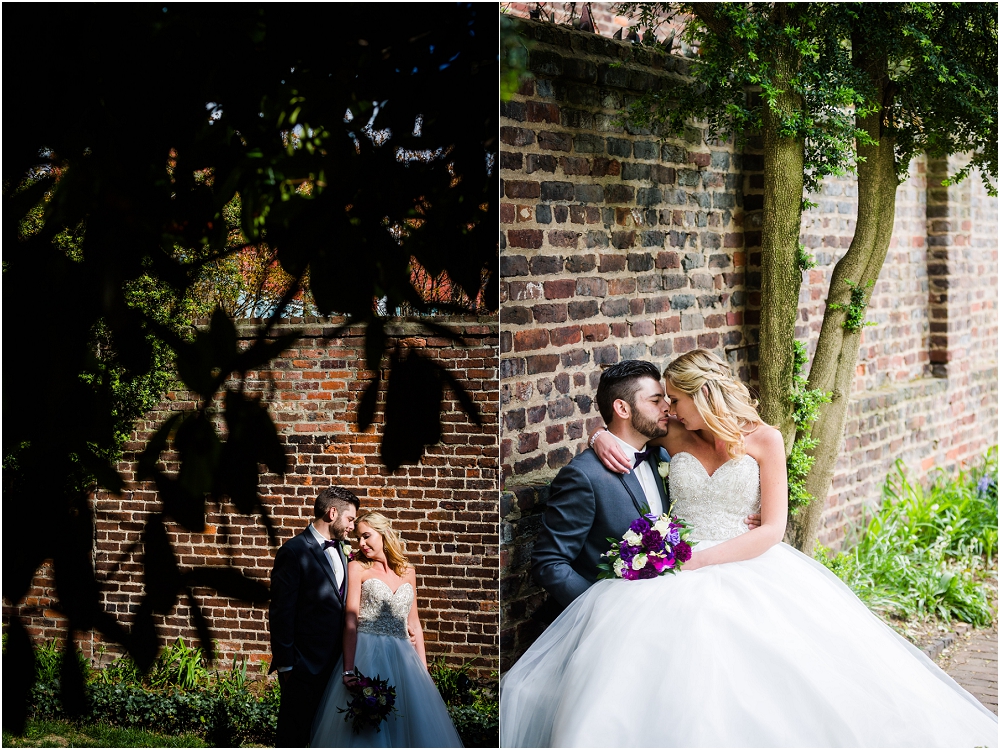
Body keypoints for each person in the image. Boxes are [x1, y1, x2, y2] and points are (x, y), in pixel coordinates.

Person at [500, 349, 998, 747]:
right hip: (674, 575)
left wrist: (699, 561)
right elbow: (628, 432)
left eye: (675, 398)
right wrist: (596, 438)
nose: (669, 408)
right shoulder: (672, 434)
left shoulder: (766, 439)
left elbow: (773, 528)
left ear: (705, 395)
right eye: (665, 401)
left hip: (746, 562)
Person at [531, 359, 759, 610]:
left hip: (681, 596)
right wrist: (599, 611)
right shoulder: (584, 476)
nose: (668, 409)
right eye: (655, 400)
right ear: (623, 409)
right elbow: (549, 563)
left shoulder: (662, 455)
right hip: (618, 612)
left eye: (668, 400)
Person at [311, 512, 463, 747]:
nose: (361, 543)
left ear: (384, 533)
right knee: (369, 728)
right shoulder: (357, 568)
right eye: (358, 538)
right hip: (368, 653)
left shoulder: (408, 571)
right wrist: (349, 670)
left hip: (404, 657)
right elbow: (350, 621)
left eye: (366, 536)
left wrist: (423, 672)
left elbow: (414, 624)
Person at [269, 485, 359, 748]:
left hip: (335, 666)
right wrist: (287, 667)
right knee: (295, 735)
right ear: (332, 513)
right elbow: (281, 612)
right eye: (350, 519)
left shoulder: (345, 550)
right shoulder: (294, 551)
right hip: (303, 667)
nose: (352, 526)